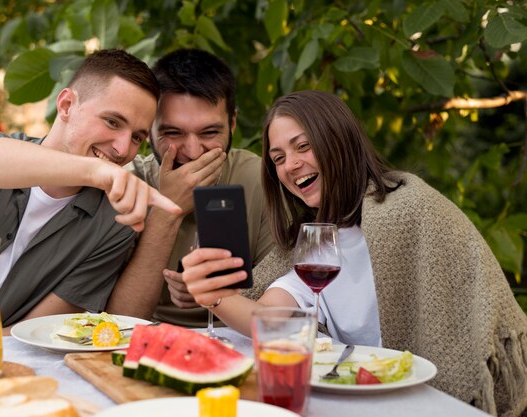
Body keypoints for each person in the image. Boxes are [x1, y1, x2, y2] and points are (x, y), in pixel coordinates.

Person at [181, 90, 527, 416]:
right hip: (361, 402)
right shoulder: (312, 244)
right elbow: (271, 324)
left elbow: (466, 323)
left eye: (303, 146)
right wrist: (213, 295)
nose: (291, 165)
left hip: (424, 401)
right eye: (278, 158)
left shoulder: (410, 208)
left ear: (338, 142)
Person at [0, 48, 180, 333]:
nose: (123, 149)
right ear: (67, 104)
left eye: (137, 137)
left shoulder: (113, 223)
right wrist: (95, 170)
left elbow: (42, 328)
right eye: (112, 122)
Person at [108, 48, 273, 327]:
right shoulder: (123, 184)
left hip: (242, 338)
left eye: (210, 133)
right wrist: (168, 210)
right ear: (149, 130)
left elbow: (284, 304)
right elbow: (121, 320)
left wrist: (218, 296)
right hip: (145, 336)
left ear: (232, 123)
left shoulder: (262, 180)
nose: (194, 152)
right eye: (173, 133)